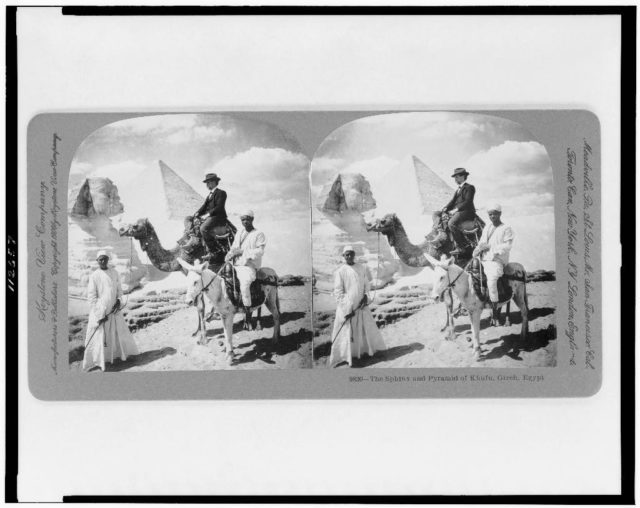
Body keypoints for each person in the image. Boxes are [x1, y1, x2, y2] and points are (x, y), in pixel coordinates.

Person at [329, 246, 386, 368]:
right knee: (347, 332)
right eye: (347, 255)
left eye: (351, 254)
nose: (349, 256)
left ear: (354, 255)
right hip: (348, 309)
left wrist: (365, 296)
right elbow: (338, 292)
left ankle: (363, 353)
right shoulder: (340, 271)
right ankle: (347, 357)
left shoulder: (361, 268)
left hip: (361, 306)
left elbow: (366, 284)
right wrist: (347, 308)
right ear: (343, 256)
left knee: (363, 329)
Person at [83, 251, 138, 372]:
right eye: (100, 259)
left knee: (117, 333)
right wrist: (99, 314)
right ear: (97, 261)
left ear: (108, 260)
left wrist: (118, 301)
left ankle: (117, 358)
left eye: (105, 259)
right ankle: (98, 362)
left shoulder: (114, 272)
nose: (103, 261)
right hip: (101, 311)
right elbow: (91, 297)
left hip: (114, 310)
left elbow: (119, 290)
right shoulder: (94, 276)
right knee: (100, 337)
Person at [472, 204, 515, 320]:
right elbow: (481, 242)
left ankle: (495, 311)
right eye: (490, 214)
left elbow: (507, 246)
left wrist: (490, 247)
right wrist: (477, 249)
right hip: (484, 259)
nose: (492, 216)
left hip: (496, 260)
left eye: (494, 214)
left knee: (491, 281)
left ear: (500, 214)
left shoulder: (506, 228)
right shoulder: (487, 228)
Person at [225, 210, 266, 319]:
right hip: (237, 266)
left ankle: (247, 313)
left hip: (249, 266)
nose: (245, 221)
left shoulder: (259, 234)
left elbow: (260, 251)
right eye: (243, 219)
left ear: (252, 219)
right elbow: (234, 248)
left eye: (247, 219)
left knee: (244, 285)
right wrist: (229, 254)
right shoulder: (239, 233)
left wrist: (243, 252)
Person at [442, 167, 476, 255]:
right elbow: (452, 201)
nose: (455, 179)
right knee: (436, 214)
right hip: (458, 211)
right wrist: (445, 208)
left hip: (466, 212)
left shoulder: (470, 187)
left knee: (451, 223)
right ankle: (440, 234)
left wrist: (455, 210)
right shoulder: (458, 189)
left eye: (456, 177)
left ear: (463, 176)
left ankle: (461, 247)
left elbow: (468, 201)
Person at [195, 173, 228, 255]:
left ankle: (215, 250)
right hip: (211, 217)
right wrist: (197, 213)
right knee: (188, 219)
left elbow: (219, 207)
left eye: (208, 182)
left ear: (214, 182)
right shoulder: (209, 195)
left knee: (203, 228)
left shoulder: (221, 193)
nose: (207, 185)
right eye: (206, 183)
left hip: (218, 217)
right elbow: (204, 206)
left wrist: (207, 214)